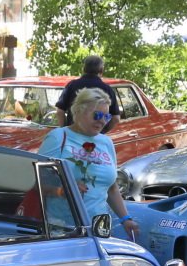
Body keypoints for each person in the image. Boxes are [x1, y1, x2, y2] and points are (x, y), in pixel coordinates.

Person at [38, 88, 138, 242]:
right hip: (62, 229)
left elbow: (111, 188)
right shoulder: (58, 138)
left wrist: (126, 219)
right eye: (97, 115)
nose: (102, 121)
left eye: (106, 116)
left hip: (99, 229)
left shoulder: (106, 142)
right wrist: (62, 190)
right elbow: (36, 183)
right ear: (78, 111)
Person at [53, 54, 121, 130]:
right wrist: (102, 132)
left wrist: (64, 130)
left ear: (84, 68)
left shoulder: (72, 85)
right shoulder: (108, 89)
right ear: (102, 70)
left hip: (73, 133)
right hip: (96, 135)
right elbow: (116, 118)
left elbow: (60, 112)